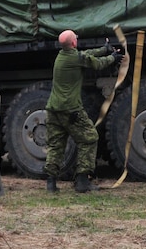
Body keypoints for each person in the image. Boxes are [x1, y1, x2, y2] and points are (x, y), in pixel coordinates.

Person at [44, 29, 121, 193]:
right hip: (70, 109)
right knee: (90, 138)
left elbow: (86, 54)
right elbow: (97, 63)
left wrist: (103, 49)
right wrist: (113, 58)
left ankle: (51, 183)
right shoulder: (75, 58)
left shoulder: (62, 56)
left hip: (53, 108)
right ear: (73, 43)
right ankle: (82, 181)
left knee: (56, 145)